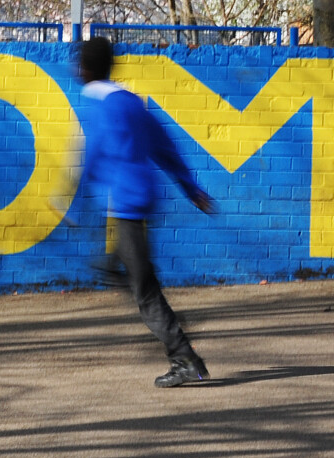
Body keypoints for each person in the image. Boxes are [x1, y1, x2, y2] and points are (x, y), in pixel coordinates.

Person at [75, 36, 214, 388]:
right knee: (111, 267)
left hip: (125, 204)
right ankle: (165, 321)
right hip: (140, 197)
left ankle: (184, 358)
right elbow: (164, 144)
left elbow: (92, 152)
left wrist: (72, 201)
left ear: (85, 68)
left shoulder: (96, 102)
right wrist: (190, 186)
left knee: (145, 290)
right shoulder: (130, 101)